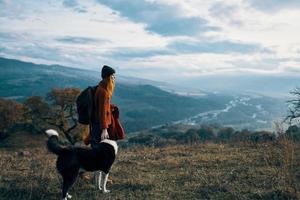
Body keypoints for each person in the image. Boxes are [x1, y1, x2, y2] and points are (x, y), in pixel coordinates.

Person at [90, 65, 116, 148]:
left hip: (97, 124)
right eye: (112, 77)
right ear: (108, 77)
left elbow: (101, 107)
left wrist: (110, 107)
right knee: (97, 149)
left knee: (96, 147)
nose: (114, 79)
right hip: (99, 126)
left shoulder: (100, 87)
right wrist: (104, 129)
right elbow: (102, 112)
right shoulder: (104, 92)